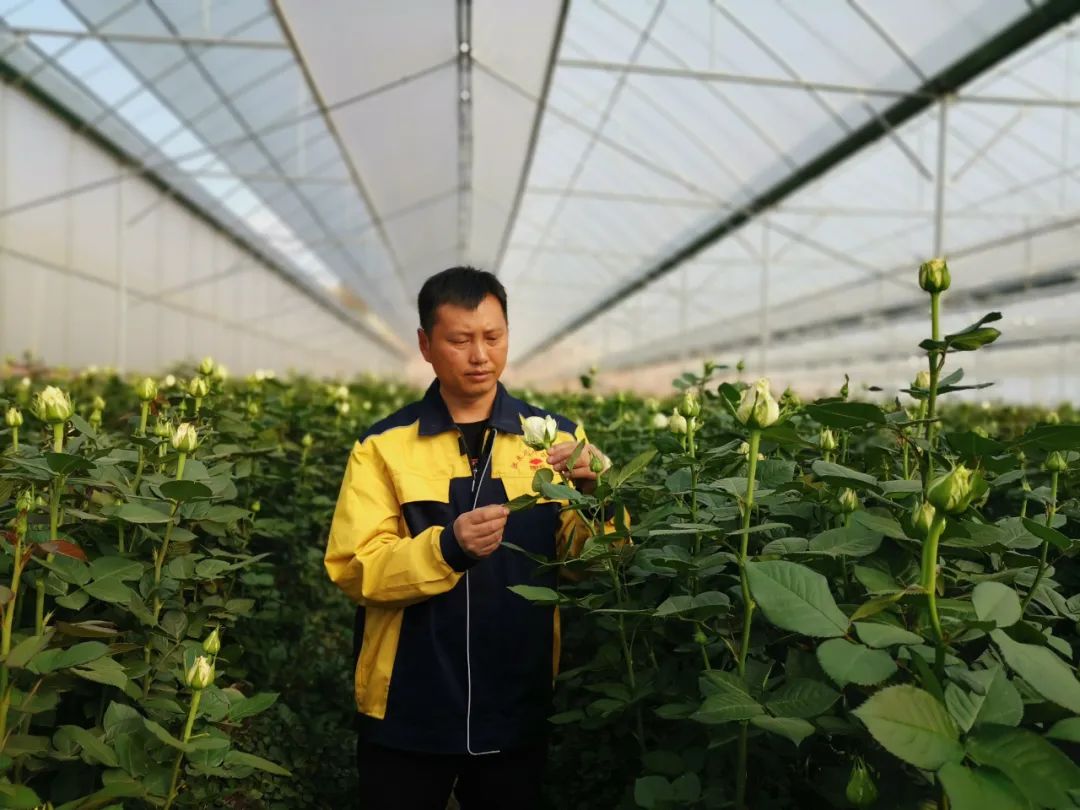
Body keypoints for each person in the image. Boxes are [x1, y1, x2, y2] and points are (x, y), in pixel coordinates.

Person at [324, 266, 616, 810]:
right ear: (426, 345)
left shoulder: (554, 440)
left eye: (493, 337)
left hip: (517, 700)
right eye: (460, 340)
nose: (480, 355)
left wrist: (603, 496)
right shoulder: (385, 446)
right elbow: (353, 566)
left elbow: (591, 565)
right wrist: (445, 548)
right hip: (408, 704)